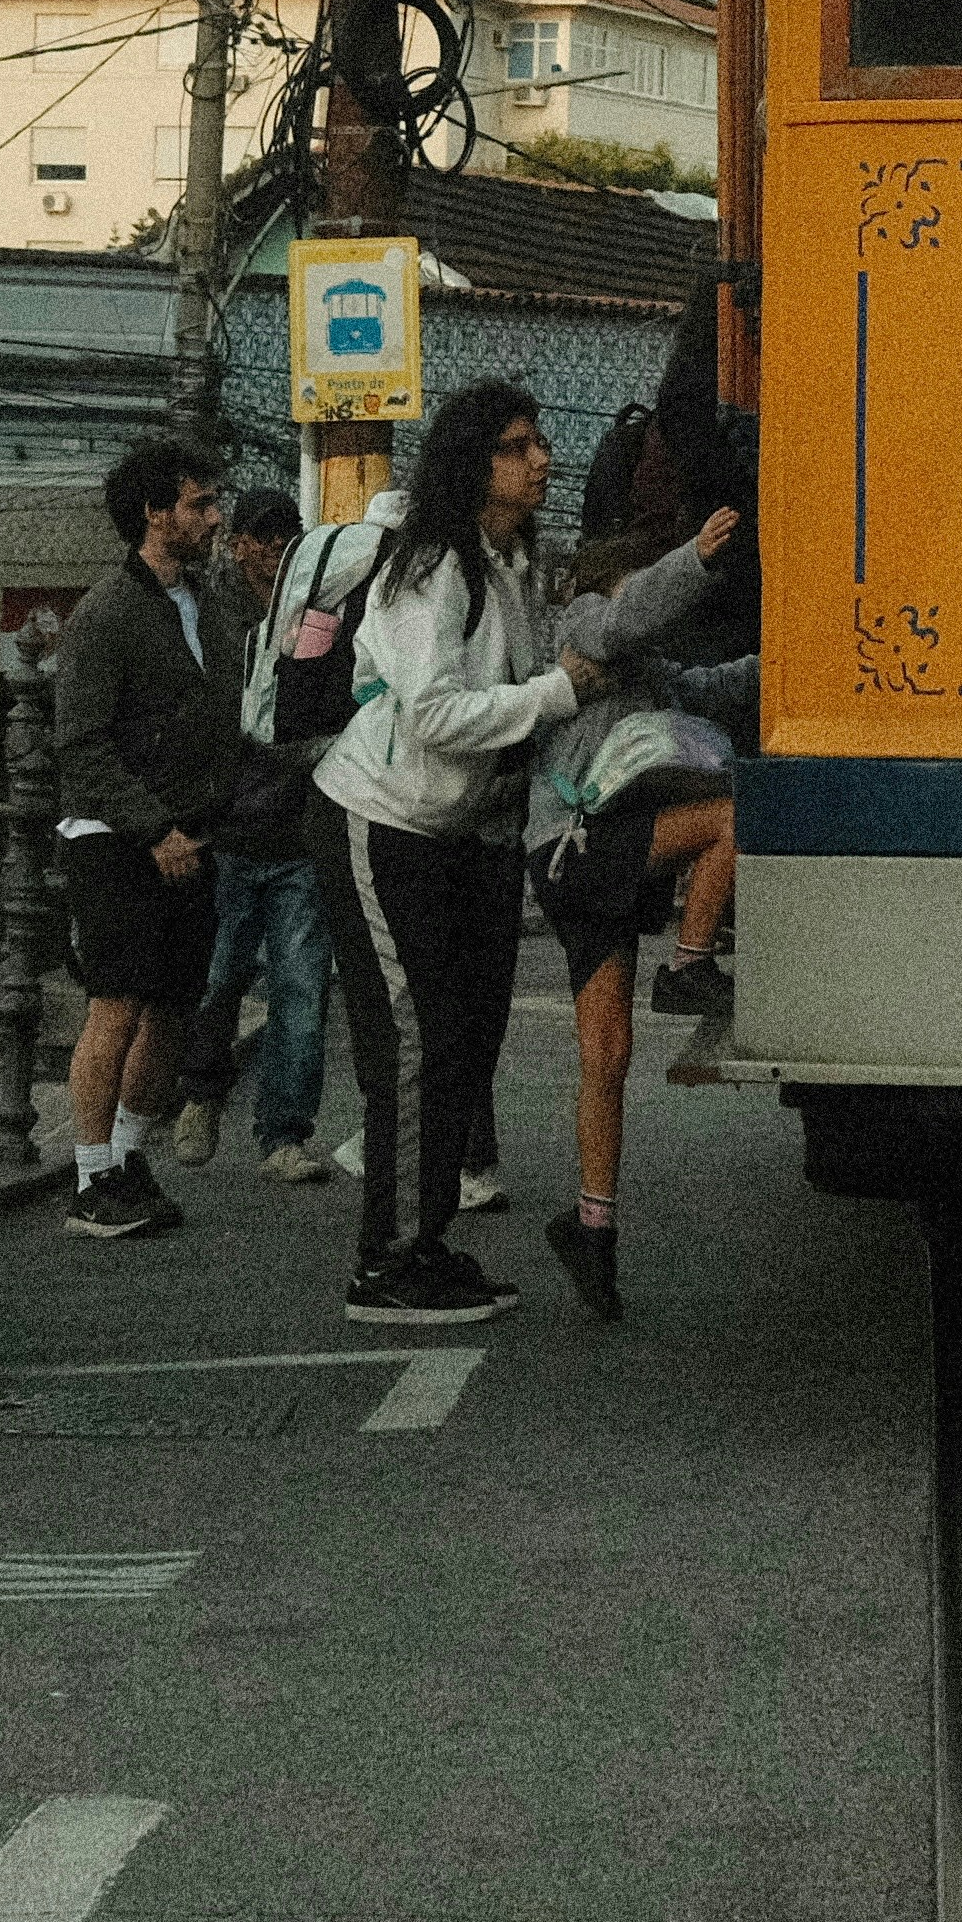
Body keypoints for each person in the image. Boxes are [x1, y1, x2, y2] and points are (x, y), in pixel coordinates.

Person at [309, 382, 574, 1327]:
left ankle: (424, 1243)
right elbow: (430, 715)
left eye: (539, 442)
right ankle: (383, 1266)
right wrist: (555, 695)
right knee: (415, 1044)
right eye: (516, 445)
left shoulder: (509, 563)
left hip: (457, 837)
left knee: (465, 1042)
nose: (539, 459)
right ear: (473, 464)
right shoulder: (431, 569)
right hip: (379, 821)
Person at [522, 505, 746, 1323]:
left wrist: (797, 652)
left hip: (597, 864)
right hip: (577, 846)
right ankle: (689, 965)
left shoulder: (644, 665)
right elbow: (628, 614)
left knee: (605, 1055)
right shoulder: (585, 621)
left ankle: (593, 1226)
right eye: (643, 583)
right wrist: (692, 556)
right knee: (733, 814)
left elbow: (711, 686)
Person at [55, 435, 244, 1242]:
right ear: (153, 512)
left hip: (193, 835)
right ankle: (90, 1172)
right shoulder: (106, 613)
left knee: (173, 1005)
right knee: (117, 1005)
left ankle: (131, 1156)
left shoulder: (210, 603)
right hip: (114, 838)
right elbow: (79, 745)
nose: (212, 516)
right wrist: (151, 828)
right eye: (199, 503)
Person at [169, 487, 335, 1182]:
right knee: (219, 978)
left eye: (284, 537)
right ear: (238, 545)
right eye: (262, 538)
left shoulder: (317, 611)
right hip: (228, 828)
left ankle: (283, 1136)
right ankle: (201, 1094)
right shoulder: (215, 618)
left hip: (296, 830)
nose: (273, 550)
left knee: (301, 991)